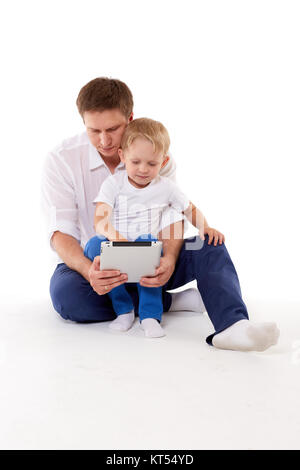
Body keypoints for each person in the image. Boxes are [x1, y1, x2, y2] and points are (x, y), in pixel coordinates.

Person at [42, 77, 280, 351]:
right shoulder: (61, 160)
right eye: (93, 130)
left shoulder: (154, 156)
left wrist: (168, 258)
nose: (104, 140)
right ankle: (169, 302)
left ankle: (233, 325)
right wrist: (89, 270)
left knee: (210, 244)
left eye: (113, 128)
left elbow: (173, 216)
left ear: (130, 118)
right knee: (67, 296)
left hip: (152, 257)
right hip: (97, 262)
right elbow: (61, 233)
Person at [84, 117, 206, 338]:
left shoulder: (166, 187)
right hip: (116, 244)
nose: (143, 170)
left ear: (164, 161)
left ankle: (150, 316)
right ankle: (124, 310)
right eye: (136, 162)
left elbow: (190, 209)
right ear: (122, 156)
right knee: (94, 245)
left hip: (145, 246)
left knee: (149, 243)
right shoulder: (114, 184)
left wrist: (206, 228)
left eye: (152, 164)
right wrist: (119, 241)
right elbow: (100, 221)